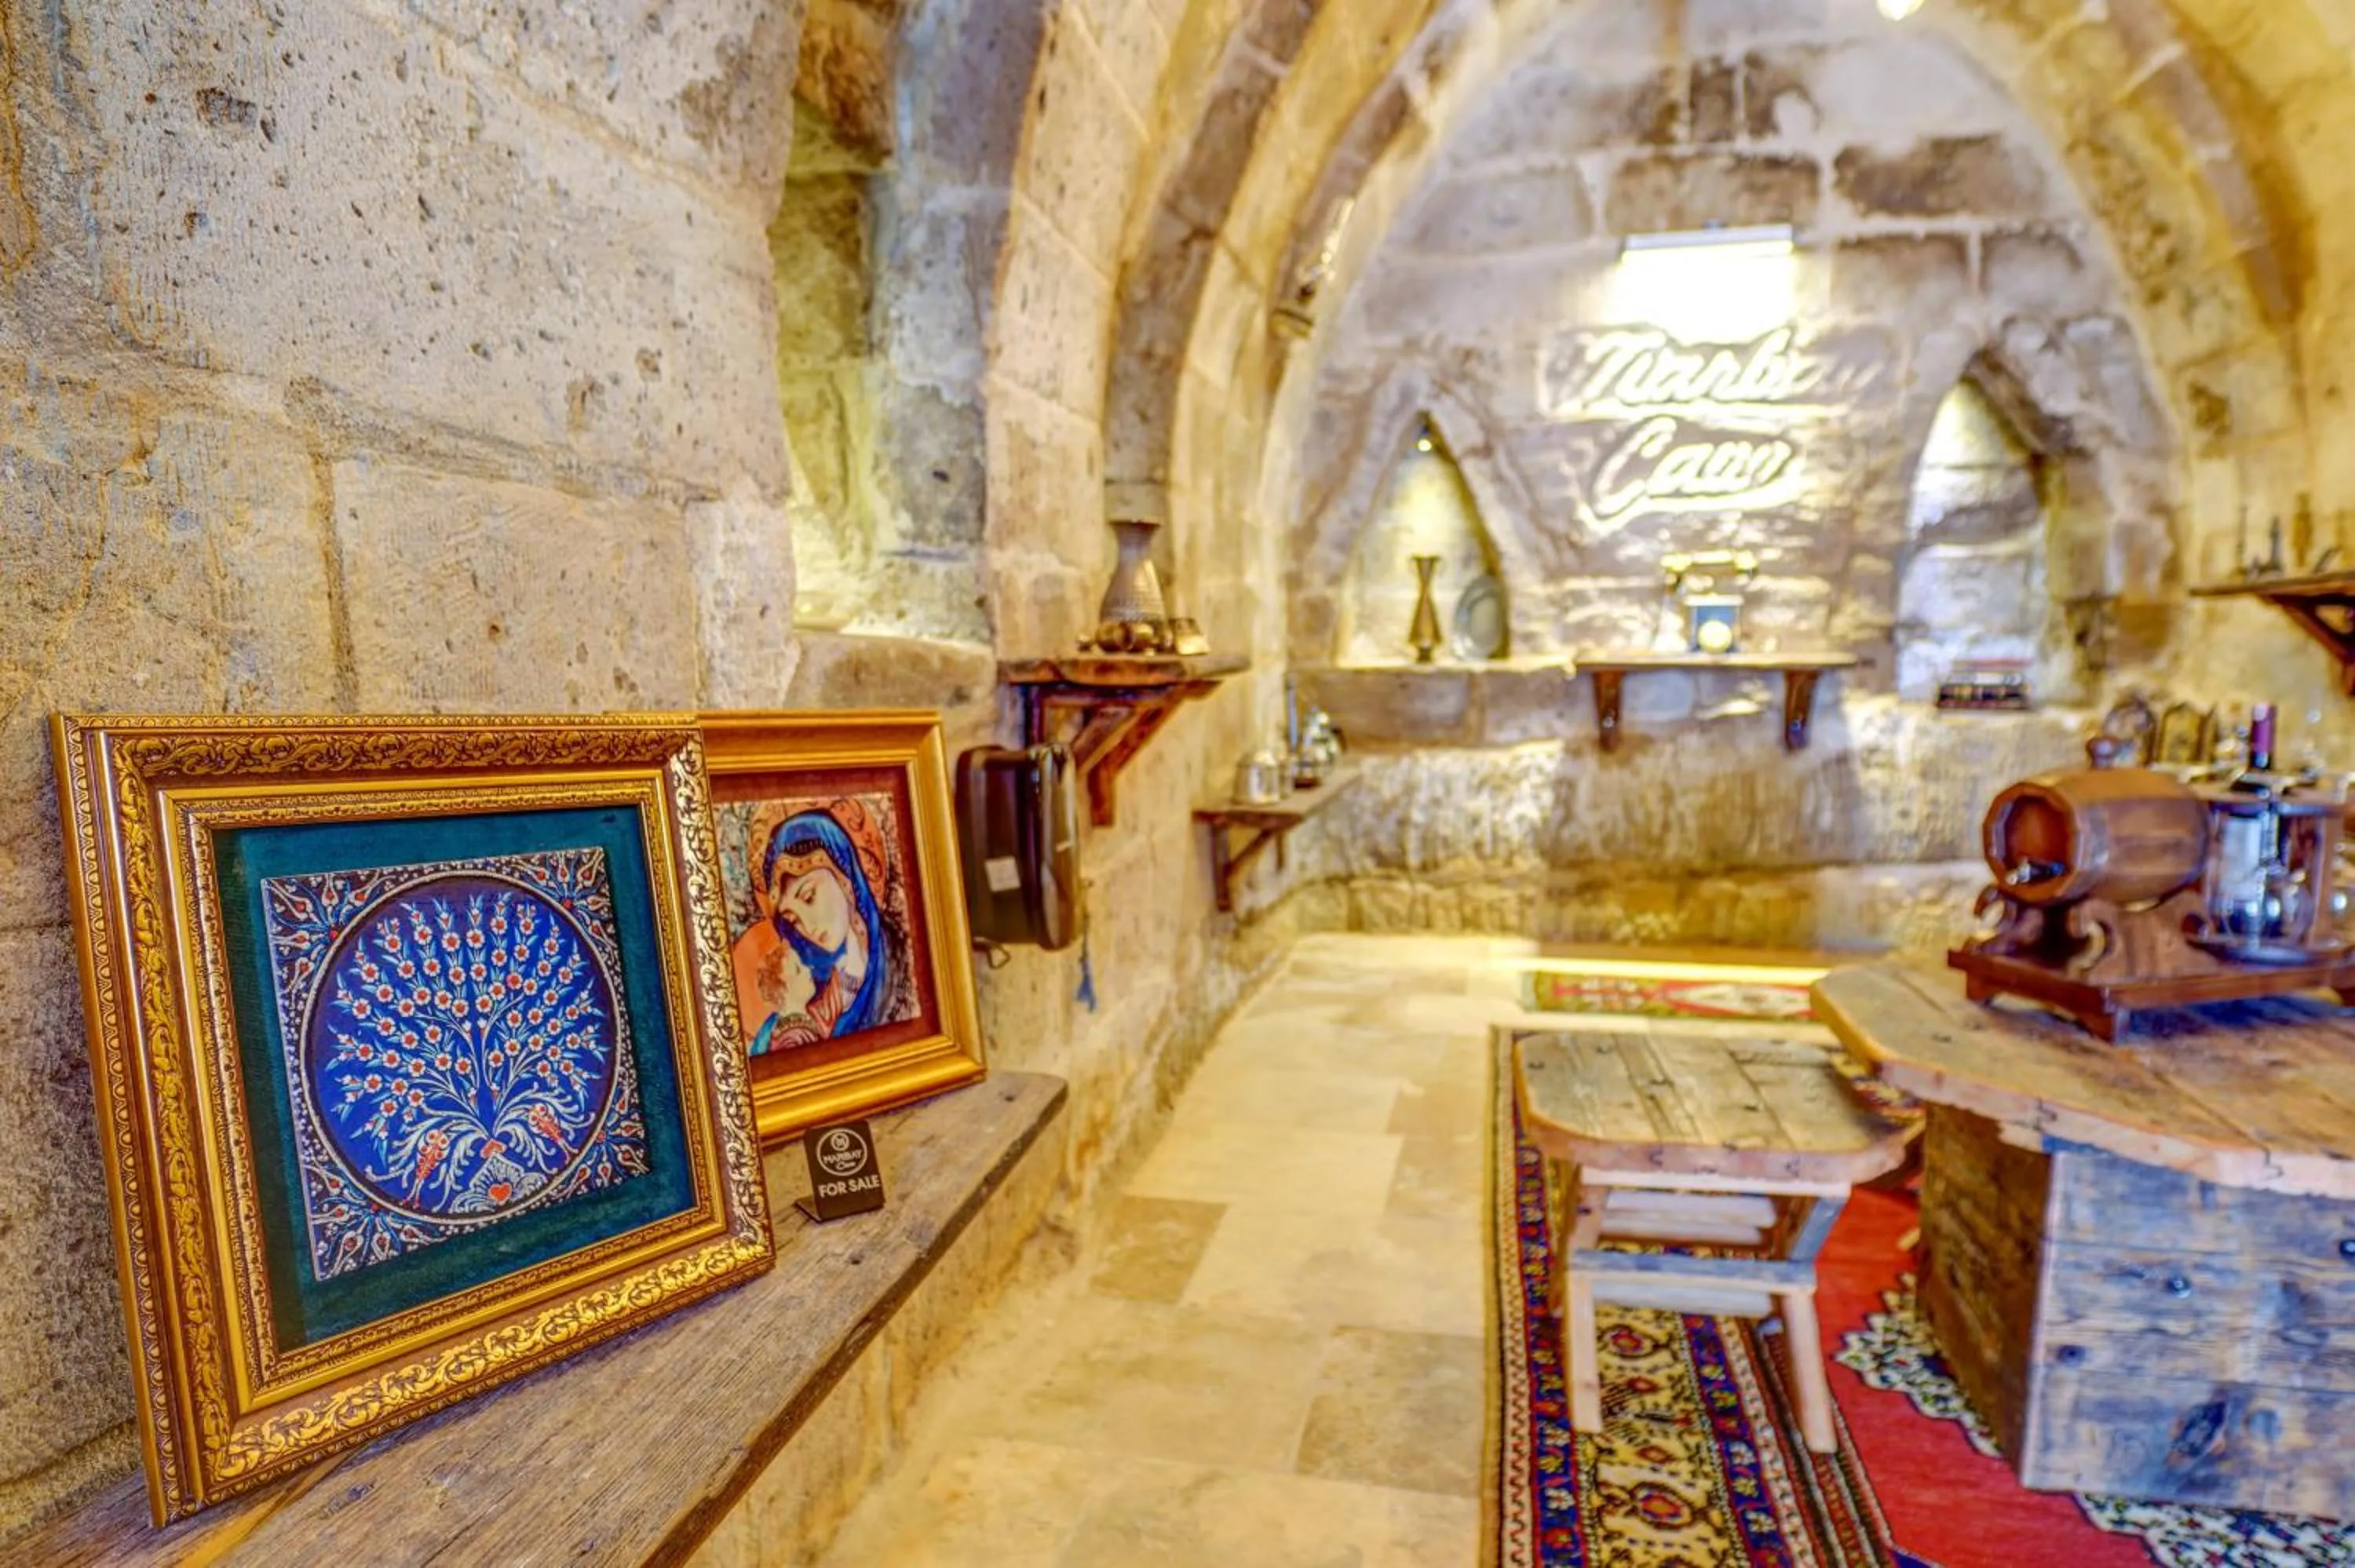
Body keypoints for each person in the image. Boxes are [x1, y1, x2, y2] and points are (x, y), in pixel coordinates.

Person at [731, 804, 892, 1055]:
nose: (807, 927)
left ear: (845, 880)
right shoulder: (813, 993)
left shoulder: (896, 961)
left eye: (808, 897)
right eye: (793, 920)